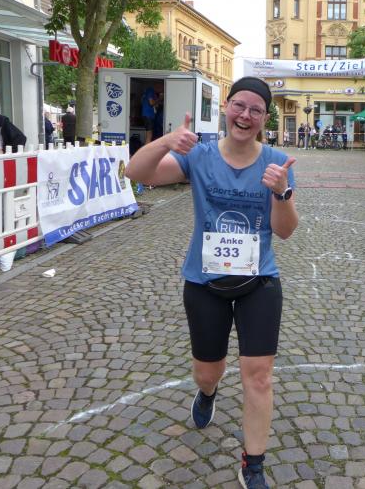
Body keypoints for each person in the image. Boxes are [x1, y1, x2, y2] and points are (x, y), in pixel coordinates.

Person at [125, 77, 297, 489]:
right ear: (226, 107)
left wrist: (282, 193)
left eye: (256, 110)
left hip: (259, 280)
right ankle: (207, 393)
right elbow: (136, 172)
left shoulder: (276, 162)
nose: (246, 115)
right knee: (208, 372)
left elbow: (286, 231)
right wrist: (168, 141)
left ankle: (253, 464)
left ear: (265, 118)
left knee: (259, 375)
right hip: (204, 282)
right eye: (239, 105)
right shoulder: (199, 156)